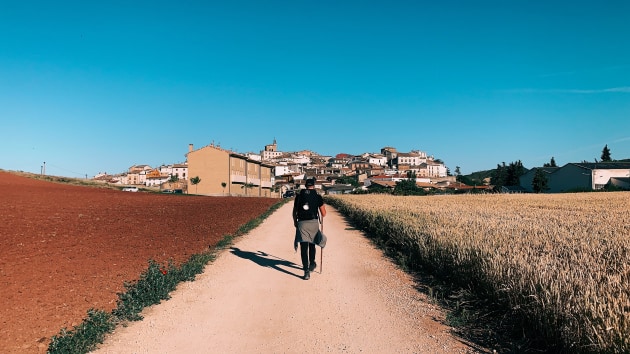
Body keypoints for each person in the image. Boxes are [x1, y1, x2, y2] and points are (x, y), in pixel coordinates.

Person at [293, 177, 326, 280]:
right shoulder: (317, 196)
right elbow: (323, 214)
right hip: (313, 223)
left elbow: (294, 212)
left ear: (305, 186)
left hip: (302, 223)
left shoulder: (299, 196)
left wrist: (295, 222)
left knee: (304, 247)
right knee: (312, 244)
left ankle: (306, 272)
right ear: (314, 186)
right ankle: (312, 264)